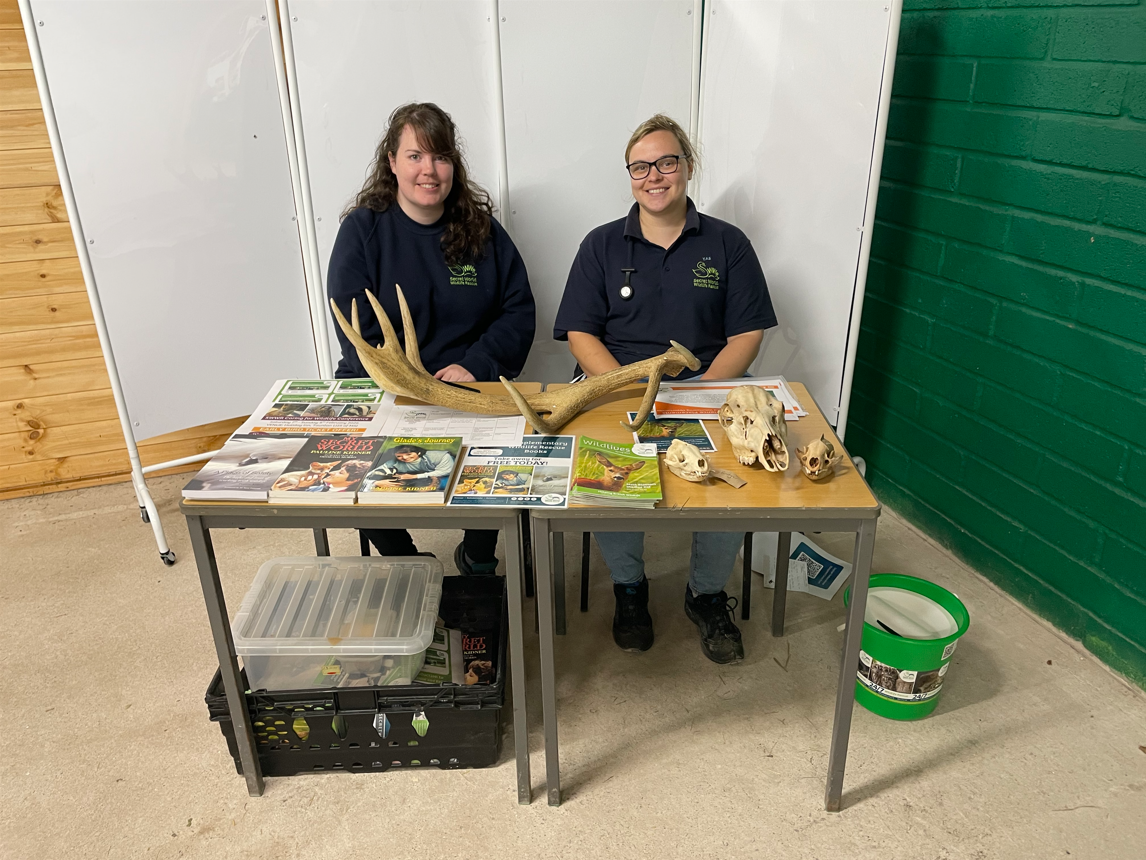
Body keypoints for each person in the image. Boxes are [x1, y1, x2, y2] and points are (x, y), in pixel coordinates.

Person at [553, 114, 777, 663]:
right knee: (611, 472)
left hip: (709, 387)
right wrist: (626, 387)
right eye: (641, 166)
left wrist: (702, 392)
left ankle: (705, 594)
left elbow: (747, 333)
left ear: (688, 167)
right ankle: (630, 589)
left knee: (732, 478)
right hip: (619, 387)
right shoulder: (600, 245)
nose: (655, 175)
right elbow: (580, 332)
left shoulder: (728, 243)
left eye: (667, 162)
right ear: (629, 176)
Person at [328, 103, 536, 574]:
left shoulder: (481, 231)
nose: (429, 170)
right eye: (416, 156)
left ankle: (478, 556)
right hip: (385, 386)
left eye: (441, 157)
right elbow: (355, 327)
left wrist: (477, 365)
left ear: (453, 166)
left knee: (500, 471)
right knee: (350, 475)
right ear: (392, 163)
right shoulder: (362, 231)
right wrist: (406, 385)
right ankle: (408, 562)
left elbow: (518, 311)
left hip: (464, 386)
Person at [361, 444, 456, 492]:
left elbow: (447, 471)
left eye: (409, 454)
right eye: (399, 456)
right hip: (416, 483)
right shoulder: (393, 463)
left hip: (444, 476)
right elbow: (367, 476)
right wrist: (376, 482)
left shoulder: (438, 456)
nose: (405, 458)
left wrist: (414, 477)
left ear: (418, 452)